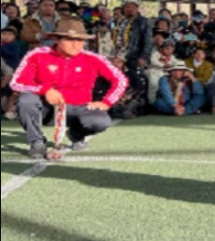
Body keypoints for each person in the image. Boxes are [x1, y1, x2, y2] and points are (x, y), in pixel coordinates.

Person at [10, 19, 128, 159]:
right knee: (26, 100)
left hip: (79, 108)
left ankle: (76, 135)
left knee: (101, 122)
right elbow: (16, 82)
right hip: (46, 108)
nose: (75, 44)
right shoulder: (37, 55)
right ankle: (36, 141)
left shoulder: (94, 59)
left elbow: (120, 80)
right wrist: (45, 90)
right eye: (69, 39)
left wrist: (106, 102)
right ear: (57, 39)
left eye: (80, 40)